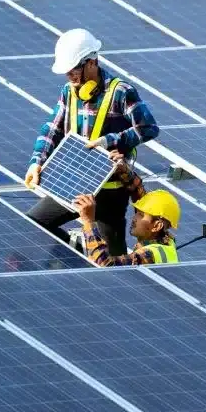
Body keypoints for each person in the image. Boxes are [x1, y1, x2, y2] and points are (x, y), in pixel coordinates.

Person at [24, 28, 160, 255]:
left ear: (91, 62)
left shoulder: (121, 92)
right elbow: (52, 128)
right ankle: (74, 250)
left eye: (73, 70)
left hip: (110, 192)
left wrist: (111, 141)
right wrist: (36, 161)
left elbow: (149, 128)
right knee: (33, 223)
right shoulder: (68, 92)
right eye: (66, 73)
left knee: (111, 262)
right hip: (73, 184)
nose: (70, 77)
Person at [74, 189, 180, 266]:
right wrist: (123, 168)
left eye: (141, 215)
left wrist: (88, 222)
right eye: (137, 213)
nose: (134, 218)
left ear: (157, 226)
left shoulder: (149, 254)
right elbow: (138, 189)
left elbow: (105, 265)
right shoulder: (167, 242)